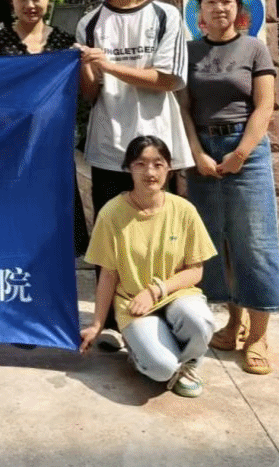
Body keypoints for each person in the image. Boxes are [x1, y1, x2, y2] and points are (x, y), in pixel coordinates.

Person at [75, 0, 192, 351]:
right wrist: (87, 68)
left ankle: (166, 313)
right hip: (109, 146)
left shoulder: (165, 16)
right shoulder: (90, 22)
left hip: (157, 147)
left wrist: (108, 65)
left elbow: (167, 79)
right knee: (110, 236)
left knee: (164, 234)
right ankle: (108, 322)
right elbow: (91, 94)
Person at [178, 0, 279, 376]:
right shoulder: (189, 51)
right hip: (202, 155)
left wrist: (241, 153)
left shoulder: (254, 48)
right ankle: (233, 322)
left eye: (226, 1)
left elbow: (264, 106)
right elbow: (183, 108)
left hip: (246, 152)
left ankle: (258, 335)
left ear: (238, 8)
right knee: (215, 242)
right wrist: (196, 154)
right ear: (199, 11)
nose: (219, 8)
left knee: (254, 241)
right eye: (210, 1)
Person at [81, 136, 217, 398]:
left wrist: (155, 291)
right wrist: (97, 325)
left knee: (199, 322)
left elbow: (195, 270)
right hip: (133, 304)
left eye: (158, 164)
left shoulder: (184, 210)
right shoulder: (111, 214)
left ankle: (187, 365)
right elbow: (108, 275)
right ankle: (144, 354)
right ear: (128, 169)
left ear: (169, 168)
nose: (150, 172)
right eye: (140, 164)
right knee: (161, 368)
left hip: (175, 295)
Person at [0, 0, 87, 274]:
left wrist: (85, 63)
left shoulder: (65, 42)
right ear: (12, 0)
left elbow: (81, 93)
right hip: (11, 149)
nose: (30, 5)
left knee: (56, 225)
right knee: (15, 224)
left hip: (53, 147)